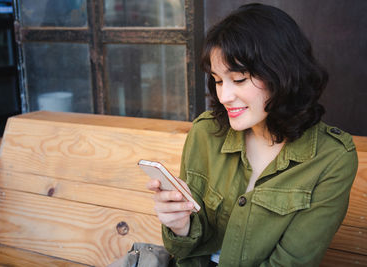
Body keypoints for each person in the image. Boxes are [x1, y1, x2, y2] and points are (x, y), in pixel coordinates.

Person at [146, 3, 358, 267]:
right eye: (218, 80)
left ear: (281, 74)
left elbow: (290, 263)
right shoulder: (206, 132)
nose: (223, 96)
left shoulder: (331, 158)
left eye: (239, 79)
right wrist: (179, 225)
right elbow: (185, 252)